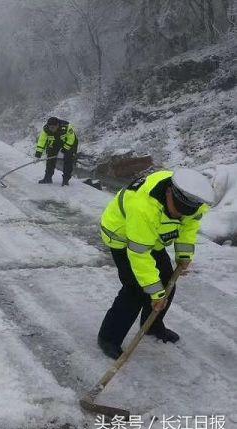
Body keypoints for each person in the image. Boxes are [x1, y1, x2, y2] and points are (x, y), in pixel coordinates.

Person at [97, 168, 214, 359]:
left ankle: (151, 325)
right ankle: (108, 338)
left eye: (184, 214)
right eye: (176, 212)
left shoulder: (194, 201)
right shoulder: (143, 206)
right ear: (169, 192)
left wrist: (184, 255)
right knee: (135, 288)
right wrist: (155, 293)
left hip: (152, 237)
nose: (178, 217)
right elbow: (139, 254)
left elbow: (188, 226)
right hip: (123, 236)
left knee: (167, 281)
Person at [35, 117, 78, 186]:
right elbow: (42, 141)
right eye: (50, 127)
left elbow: (71, 139)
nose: (51, 129)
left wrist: (64, 150)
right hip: (54, 142)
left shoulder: (67, 127)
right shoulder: (46, 129)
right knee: (50, 158)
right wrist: (38, 154)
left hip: (69, 143)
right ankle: (48, 178)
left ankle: (65, 180)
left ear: (57, 125)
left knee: (68, 159)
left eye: (53, 127)